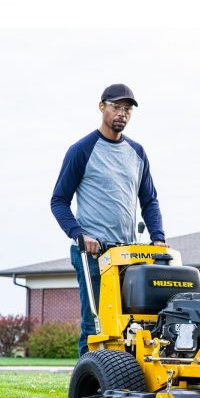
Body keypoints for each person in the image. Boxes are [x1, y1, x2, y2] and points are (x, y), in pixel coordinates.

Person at [51, 83, 165, 356]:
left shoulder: (137, 153)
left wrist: (158, 237)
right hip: (94, 254)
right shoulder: (81, 150)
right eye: (116, 107)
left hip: (129, 255)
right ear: (102, 106)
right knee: (95, 325)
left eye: (127, 110)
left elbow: (149, 200)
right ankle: (86, 391)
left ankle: (123, 387)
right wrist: (79, 234)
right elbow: (59, 201)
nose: (122, 114)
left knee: (134, 326)